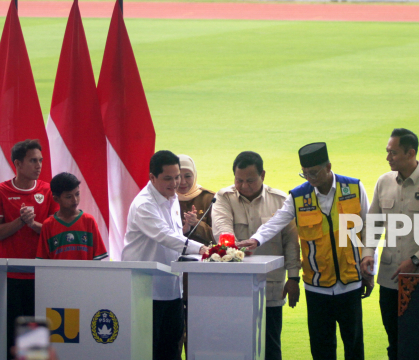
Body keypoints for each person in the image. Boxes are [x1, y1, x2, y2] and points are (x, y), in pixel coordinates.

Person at [237, 142, 372, 360]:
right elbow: (276, 221)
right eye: (305, 173)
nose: (309, 178)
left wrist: (369, 269)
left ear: (328, 167)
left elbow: (370, 229)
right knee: (321, 349)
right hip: (316, 287)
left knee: (354, 346)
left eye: (314, 172)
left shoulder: (354, 188)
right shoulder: (299, 196)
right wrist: (255, 239)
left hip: (351, 284)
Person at [360, 128, 419, 360]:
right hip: (389, 281)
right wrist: (367, 253)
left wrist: (415, 260)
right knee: (395, 343)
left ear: (411, 153)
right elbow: (373, 225)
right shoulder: (383, 182)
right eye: (388, 152)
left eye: (394, 153)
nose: (388, 157)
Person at [212, 151, 301, 360]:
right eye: (239, 180)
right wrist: (233, 248)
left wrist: (294, 278)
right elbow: (222, 231)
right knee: (234, 346)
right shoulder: (223, 198)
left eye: (250, 181)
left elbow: (291, 243)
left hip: (271, 288)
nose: (243, 186)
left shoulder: (281, 200)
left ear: (263, 174)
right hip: (233, 286)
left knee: (270, 346)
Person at [121, 150, 209, 360]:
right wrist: (201, 249)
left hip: (172, 289)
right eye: (168, 178)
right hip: (145, 292)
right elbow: (164, 235)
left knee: (171, 350)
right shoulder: (144, 204)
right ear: (152, 178)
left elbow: (174, 236)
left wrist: (185, 234)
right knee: (147, 351)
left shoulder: (170, 198)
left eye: (177, 176)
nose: (176, 183)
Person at [0, 139, 58, 359]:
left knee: (37, 334)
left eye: (41, 160)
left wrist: (32, 224)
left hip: (41, 274)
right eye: (33, 160)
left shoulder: (48, 190)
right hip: (12, 275)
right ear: (17, 163)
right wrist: (19, 221)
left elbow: (53, 233)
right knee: (13, 333)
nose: (39, 165)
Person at [36, 172, 108, 261]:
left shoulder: (89, 221)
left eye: (77, 194)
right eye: (69, 197)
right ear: (56, 199)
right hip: (58, 274)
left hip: (85, 274)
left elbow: (98, 257)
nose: (75, 200)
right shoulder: (48, 225)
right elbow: (43, 261)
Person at [176, 154, 215, 245]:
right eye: (178, 176)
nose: (183, 182)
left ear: (195, 175)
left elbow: (217, 236)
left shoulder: (209, 198)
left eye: (188, 176)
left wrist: (196, 223)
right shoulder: (166, 198)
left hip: (203, 256)